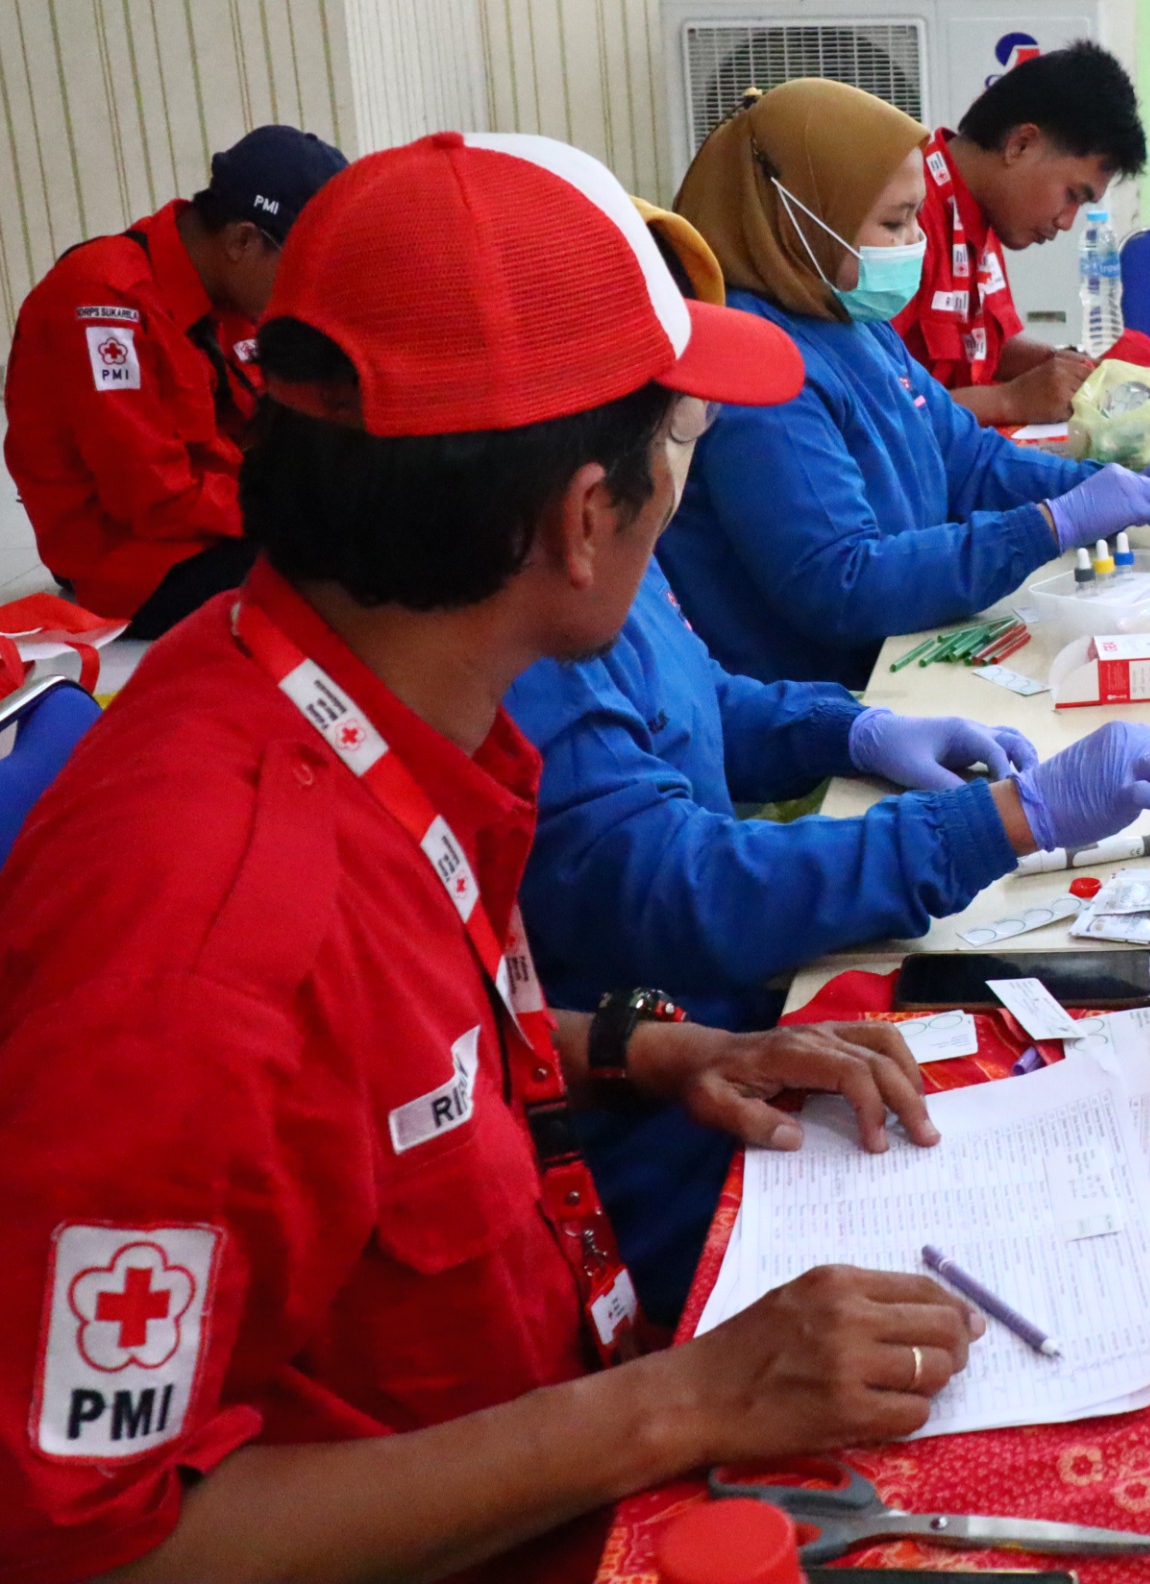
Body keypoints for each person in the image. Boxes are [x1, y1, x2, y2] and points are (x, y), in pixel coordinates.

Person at [0, 131, 1008, 1583]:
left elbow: (363, 1073)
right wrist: (682, 1402)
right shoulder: (207, 938)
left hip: (549, 1390)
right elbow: (95, 1545)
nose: (684, 493)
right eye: (679, 446)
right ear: (583, 521)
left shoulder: (335, 692)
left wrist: (646, 1049)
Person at [510, 202, 1150, 1323]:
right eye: (681, 429)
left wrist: (845, 731)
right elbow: (669, 885)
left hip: (692, 1043)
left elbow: (695, 700)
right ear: (586, 490)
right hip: (650, 1138)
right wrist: (1002, 820)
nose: (683, 467)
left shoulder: (584, 559)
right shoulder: (529, 637)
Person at [660, 78, 1150, 688]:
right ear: (799, 218)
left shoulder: (849, 320)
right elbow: (842, 584)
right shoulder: (752, 362)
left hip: (895, 660)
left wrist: (1104, 489)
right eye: (894, 224)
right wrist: (1048, 526)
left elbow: (965, 460)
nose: (914, 244)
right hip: (823, 700)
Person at [3, 125, 346, 634]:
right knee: (358, 569)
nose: (305, 291)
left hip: (208, 519)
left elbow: (265, 422)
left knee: (384, 503)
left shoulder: (226, 294)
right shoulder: (105, 301)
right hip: (134, 564)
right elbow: (150, 498)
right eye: (299, 269)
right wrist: (286, 507)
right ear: (242, 241)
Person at [893, 39, 1148, 426]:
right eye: (1071, 195)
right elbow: (874, 405)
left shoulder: (980, 209)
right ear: (1021, 144)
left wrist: (1057, 366)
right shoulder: (902, 214)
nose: (1066, 221)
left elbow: (982, 346)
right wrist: (1010, 401)